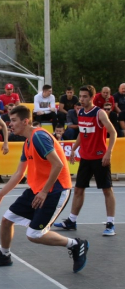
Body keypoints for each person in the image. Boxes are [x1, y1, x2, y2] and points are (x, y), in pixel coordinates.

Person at [0, 105, 89, 273]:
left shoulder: (39, 137)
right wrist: (0, 195)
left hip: (56, 190)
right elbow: (18, 173)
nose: (10, 124)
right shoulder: (28, 142)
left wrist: (44, 191)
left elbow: (58, 165)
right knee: (6, 219)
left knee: (34, 235)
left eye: (14, 121)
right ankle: (4, 255)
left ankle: (76, 244)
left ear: (25, 121)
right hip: (37, 189)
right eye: (10, 121)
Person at [54, 85, 117, 236]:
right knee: (78, 189)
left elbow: (113, 133)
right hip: (85, 157)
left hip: (100, 157)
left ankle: (110, 224)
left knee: (106, 189)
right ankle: (71, 220)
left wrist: (108, 153)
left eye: (85, 97)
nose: (81, 99)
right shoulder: (81, 112)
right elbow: (82, 133)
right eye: (80, 96)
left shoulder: (99, 113)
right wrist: (74, 149)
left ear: (92, 97)